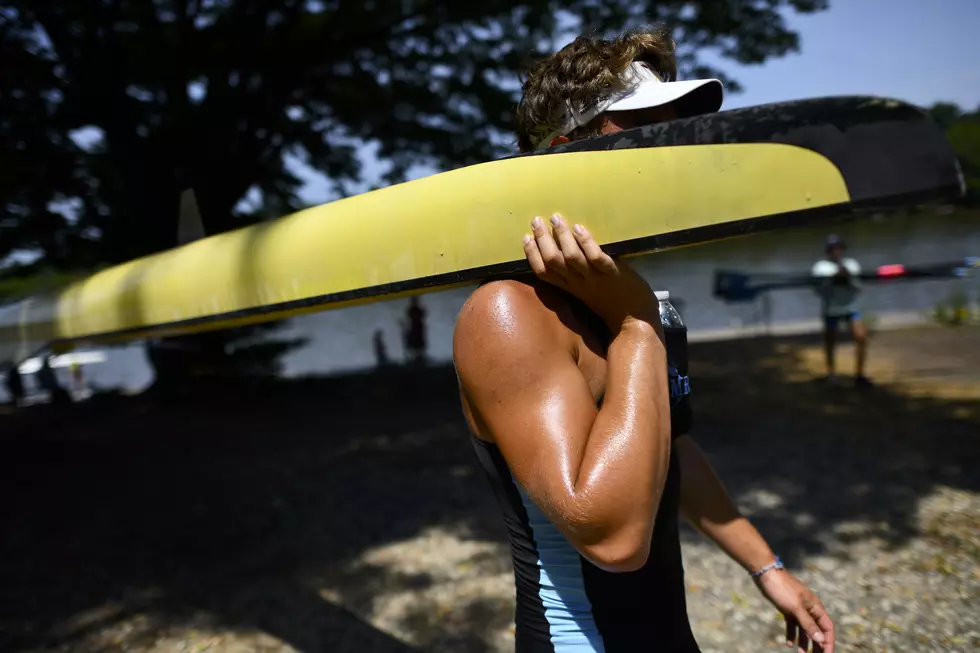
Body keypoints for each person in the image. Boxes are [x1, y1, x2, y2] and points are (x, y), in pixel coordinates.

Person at [452, 27, 835, 653]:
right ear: (559, 152)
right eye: (639, 132)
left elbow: (671, 450)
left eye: (674, 131)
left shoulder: (646, 303)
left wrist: (768, 568)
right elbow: (612, 539)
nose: (667, 154)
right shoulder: (507, 313)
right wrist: (634, 328)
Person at [811, 235, 871, 387]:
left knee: (861, 337)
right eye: (832, 248)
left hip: (851, 307)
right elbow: (818, 291)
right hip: (831, 309)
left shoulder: (851, 264)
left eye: (838, 248)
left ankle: (860, 374)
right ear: (828, 250)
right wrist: (833, 279)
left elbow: (859, 287)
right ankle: (831, 373)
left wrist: (848, 278)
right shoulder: (820, 267)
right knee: (830, 341)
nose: (836, 251)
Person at [402, 296, 428, 365]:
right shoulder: (415, 310)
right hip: (416, 327)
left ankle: (417, 358)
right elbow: (423, 315)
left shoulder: (412, 310)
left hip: (416, 328)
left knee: (417, 344)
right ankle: (418, 358)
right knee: (417, 344)